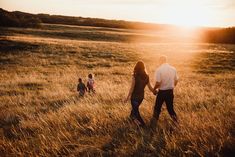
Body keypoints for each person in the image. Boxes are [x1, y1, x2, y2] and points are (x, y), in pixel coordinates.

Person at [151, 55, 179, 127]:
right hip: (170, 91)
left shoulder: (159, 69)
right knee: (170, 108)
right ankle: (176, 121)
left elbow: (158, 83)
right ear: (166, 61)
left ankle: (153, 123)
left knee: (157, 108)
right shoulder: (173, 69)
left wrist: (154, 89)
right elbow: (176, 80)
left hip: (162, 92)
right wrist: (172, 86)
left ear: (160, 61)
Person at [124, 61, 154, 128]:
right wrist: (155, 91)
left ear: (136, 67)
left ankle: (143, 125)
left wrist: (127, 97)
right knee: (133, 112)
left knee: (136, 113)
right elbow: (150, 87)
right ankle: (132, 122)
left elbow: (132, 88)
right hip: (141, 97)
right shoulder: (147, 76)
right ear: (144, 67)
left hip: (134, 97)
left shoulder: (135, 75)